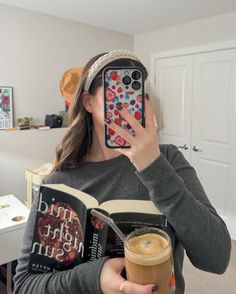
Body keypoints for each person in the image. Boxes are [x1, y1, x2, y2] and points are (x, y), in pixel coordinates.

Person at [14, 49, 231, 294]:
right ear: (87, 102)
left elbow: (217, 258)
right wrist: (93, 279)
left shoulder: (168, 159)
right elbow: (24, 286)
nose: (129, 100)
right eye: (117, 88)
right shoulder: (58, 182)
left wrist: (154, 168)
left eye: (136, 90)